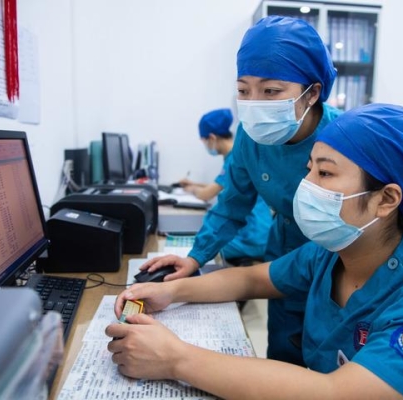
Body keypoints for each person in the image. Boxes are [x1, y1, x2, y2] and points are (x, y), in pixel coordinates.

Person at [105, 103, 403, 399]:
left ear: (386, 199)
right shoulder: (333, 252)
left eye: (324, 173)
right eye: (308, 169)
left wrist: (175, 359)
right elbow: (252, 278)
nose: (305, 186)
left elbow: (338, 393)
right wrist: (171, 290)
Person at [138, 15, 342, 365]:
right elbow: (231, 205)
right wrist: (195, 257)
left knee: (332, 360)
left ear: (312, 92)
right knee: (284, 357)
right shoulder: (250, 137)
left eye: (271, 91)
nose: (255, 103)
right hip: (282, 256)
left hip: (340, 264)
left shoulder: (344, 137)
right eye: (243, 90)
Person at [179, 108, 273, 265]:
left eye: (204, 141)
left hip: (252, 237)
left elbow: (206, 194)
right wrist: (194, 184)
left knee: (199, 246)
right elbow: (223, 185)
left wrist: (191, 189)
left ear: (212, 138)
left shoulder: (234, 158)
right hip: (259, 231)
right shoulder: (235, 154)